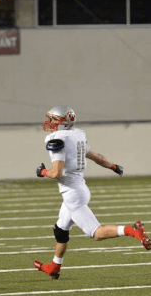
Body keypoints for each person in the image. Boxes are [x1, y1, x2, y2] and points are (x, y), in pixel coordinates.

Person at [33, 105, 151, 280]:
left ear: (63, 122)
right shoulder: (77, 136)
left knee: (96, 233)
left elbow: (56, 173)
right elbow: (98, 157)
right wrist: (113, 166)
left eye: (53, 119)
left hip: (73, 195)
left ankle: (133, 231)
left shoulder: (57, 139)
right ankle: (54, 267)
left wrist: (42, 172)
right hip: (80, 189)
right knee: (60, 230)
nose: (50, 123)